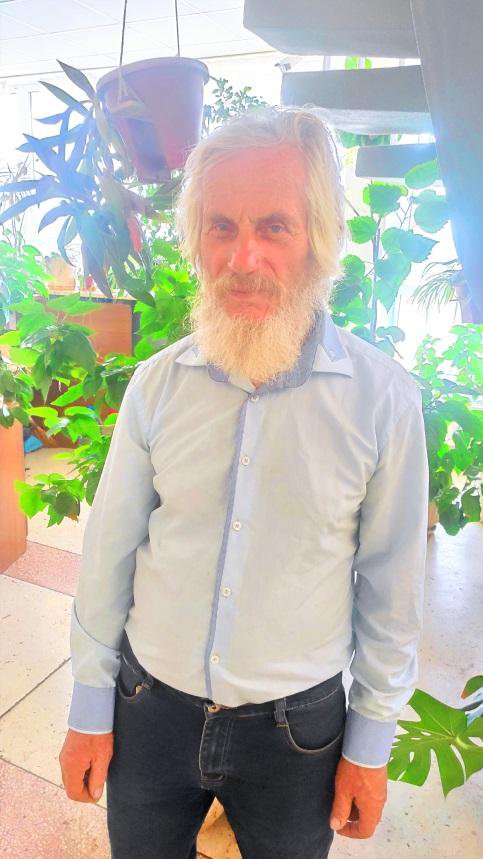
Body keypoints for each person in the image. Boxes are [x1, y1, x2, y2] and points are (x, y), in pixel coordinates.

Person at [59, 107, 429, 859]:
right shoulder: (157, 385)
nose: (242, 256)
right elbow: (109, 555)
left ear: (320, 238)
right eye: (220, 226)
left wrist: (369, 745)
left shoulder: (382, 400)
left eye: (274, 226)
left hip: (297, 732)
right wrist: (89, 707)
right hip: (147, 707)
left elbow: (391, 587)